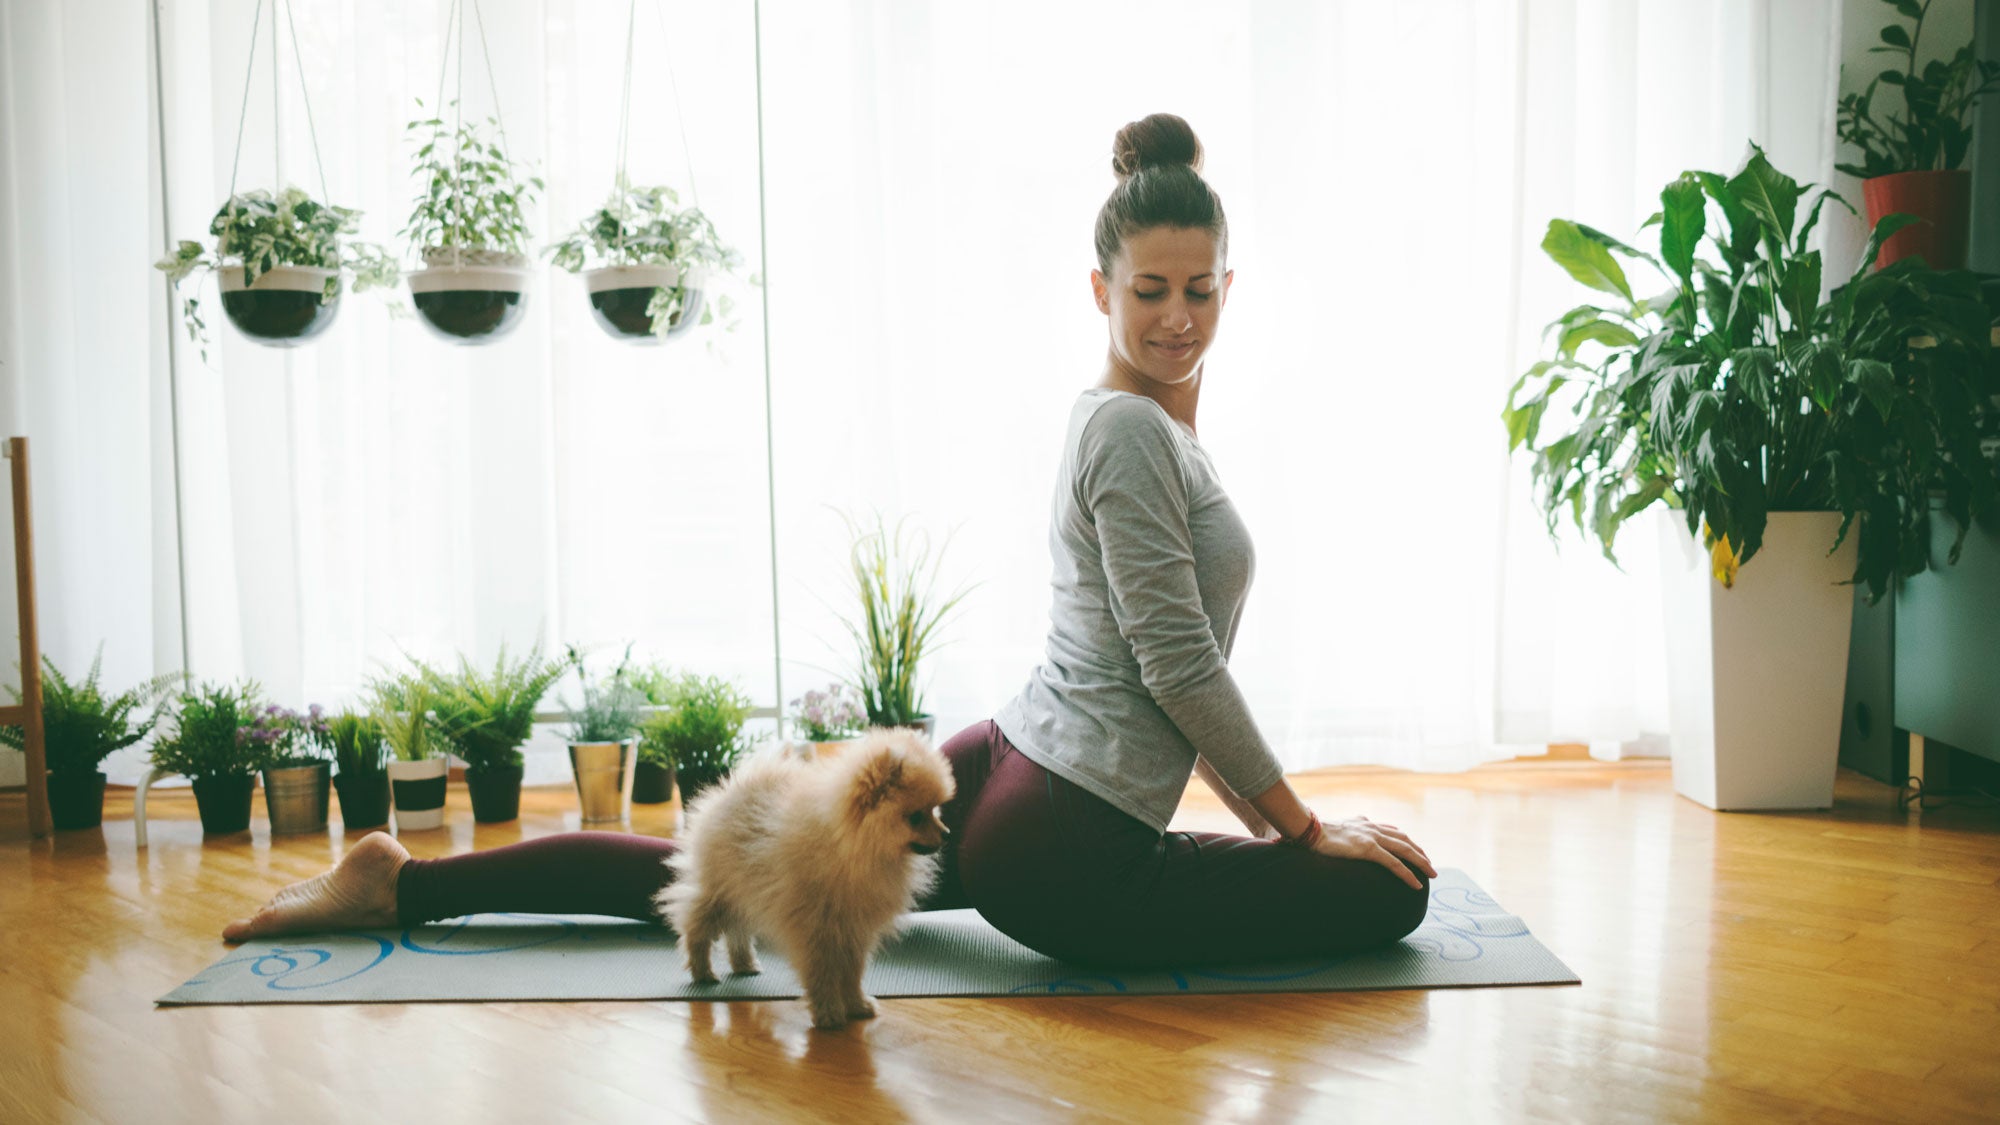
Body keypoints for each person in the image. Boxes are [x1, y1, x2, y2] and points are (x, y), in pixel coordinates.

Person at [226, 113, 1436, 969]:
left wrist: (1268, 825)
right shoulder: (1127, 431)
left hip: (1015, 763)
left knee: (720, 873)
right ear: (1098, 291)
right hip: (1061, 840)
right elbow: (1177, 668)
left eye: (1200, 291)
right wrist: (1300, 829)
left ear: (1230, 285)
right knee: (1384, 905)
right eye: (1149, 293)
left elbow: (1157, 654)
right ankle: (407, 881)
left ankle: (407, 879)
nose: (1176, 317)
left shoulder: (1141, 424)